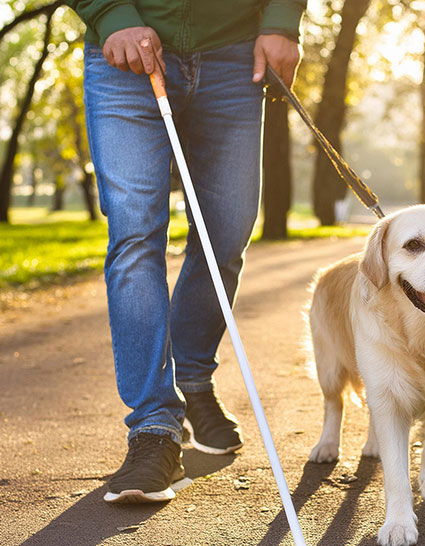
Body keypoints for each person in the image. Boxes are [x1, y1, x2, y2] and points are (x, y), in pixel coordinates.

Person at [64, 0, 304, 503]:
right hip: (126, 56)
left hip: (236, 54)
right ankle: (154, 429)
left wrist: (282, 20)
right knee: (134, 237)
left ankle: (193, 377)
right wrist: (108, 12)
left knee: (227, 234)